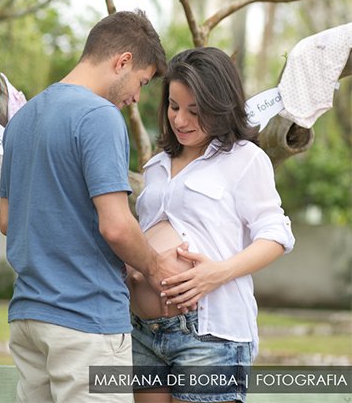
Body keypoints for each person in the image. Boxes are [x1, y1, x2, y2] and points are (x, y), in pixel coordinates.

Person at [0, 9, 186, 403]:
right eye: (141, 82)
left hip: (29, 318)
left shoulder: (24, 117)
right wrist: (155, 268)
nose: (136, 97)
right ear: (122, 62)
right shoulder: (100, 116)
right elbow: (116, 227)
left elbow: (7, 221)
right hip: (87, 321)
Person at [126, 47, 295, 403]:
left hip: (209, 333)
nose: (181, 120)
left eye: (195, 111)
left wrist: (215, 273)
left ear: (221, 107)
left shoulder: (245, 159)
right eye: (174, 106)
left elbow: (276, 234)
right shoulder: (156, 165)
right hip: (143, 331)